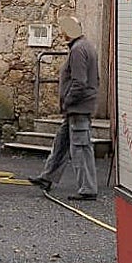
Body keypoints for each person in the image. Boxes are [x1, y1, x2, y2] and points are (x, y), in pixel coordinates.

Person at [29, 16, 99, 200]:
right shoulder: (84, 47)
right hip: (76, 108)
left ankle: (88, 189)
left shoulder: (78, 50)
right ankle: (47, 177)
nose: (62, 32)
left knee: (81, 148)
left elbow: (79, 82)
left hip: (78, 107)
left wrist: (67, 101)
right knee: (61, 143)